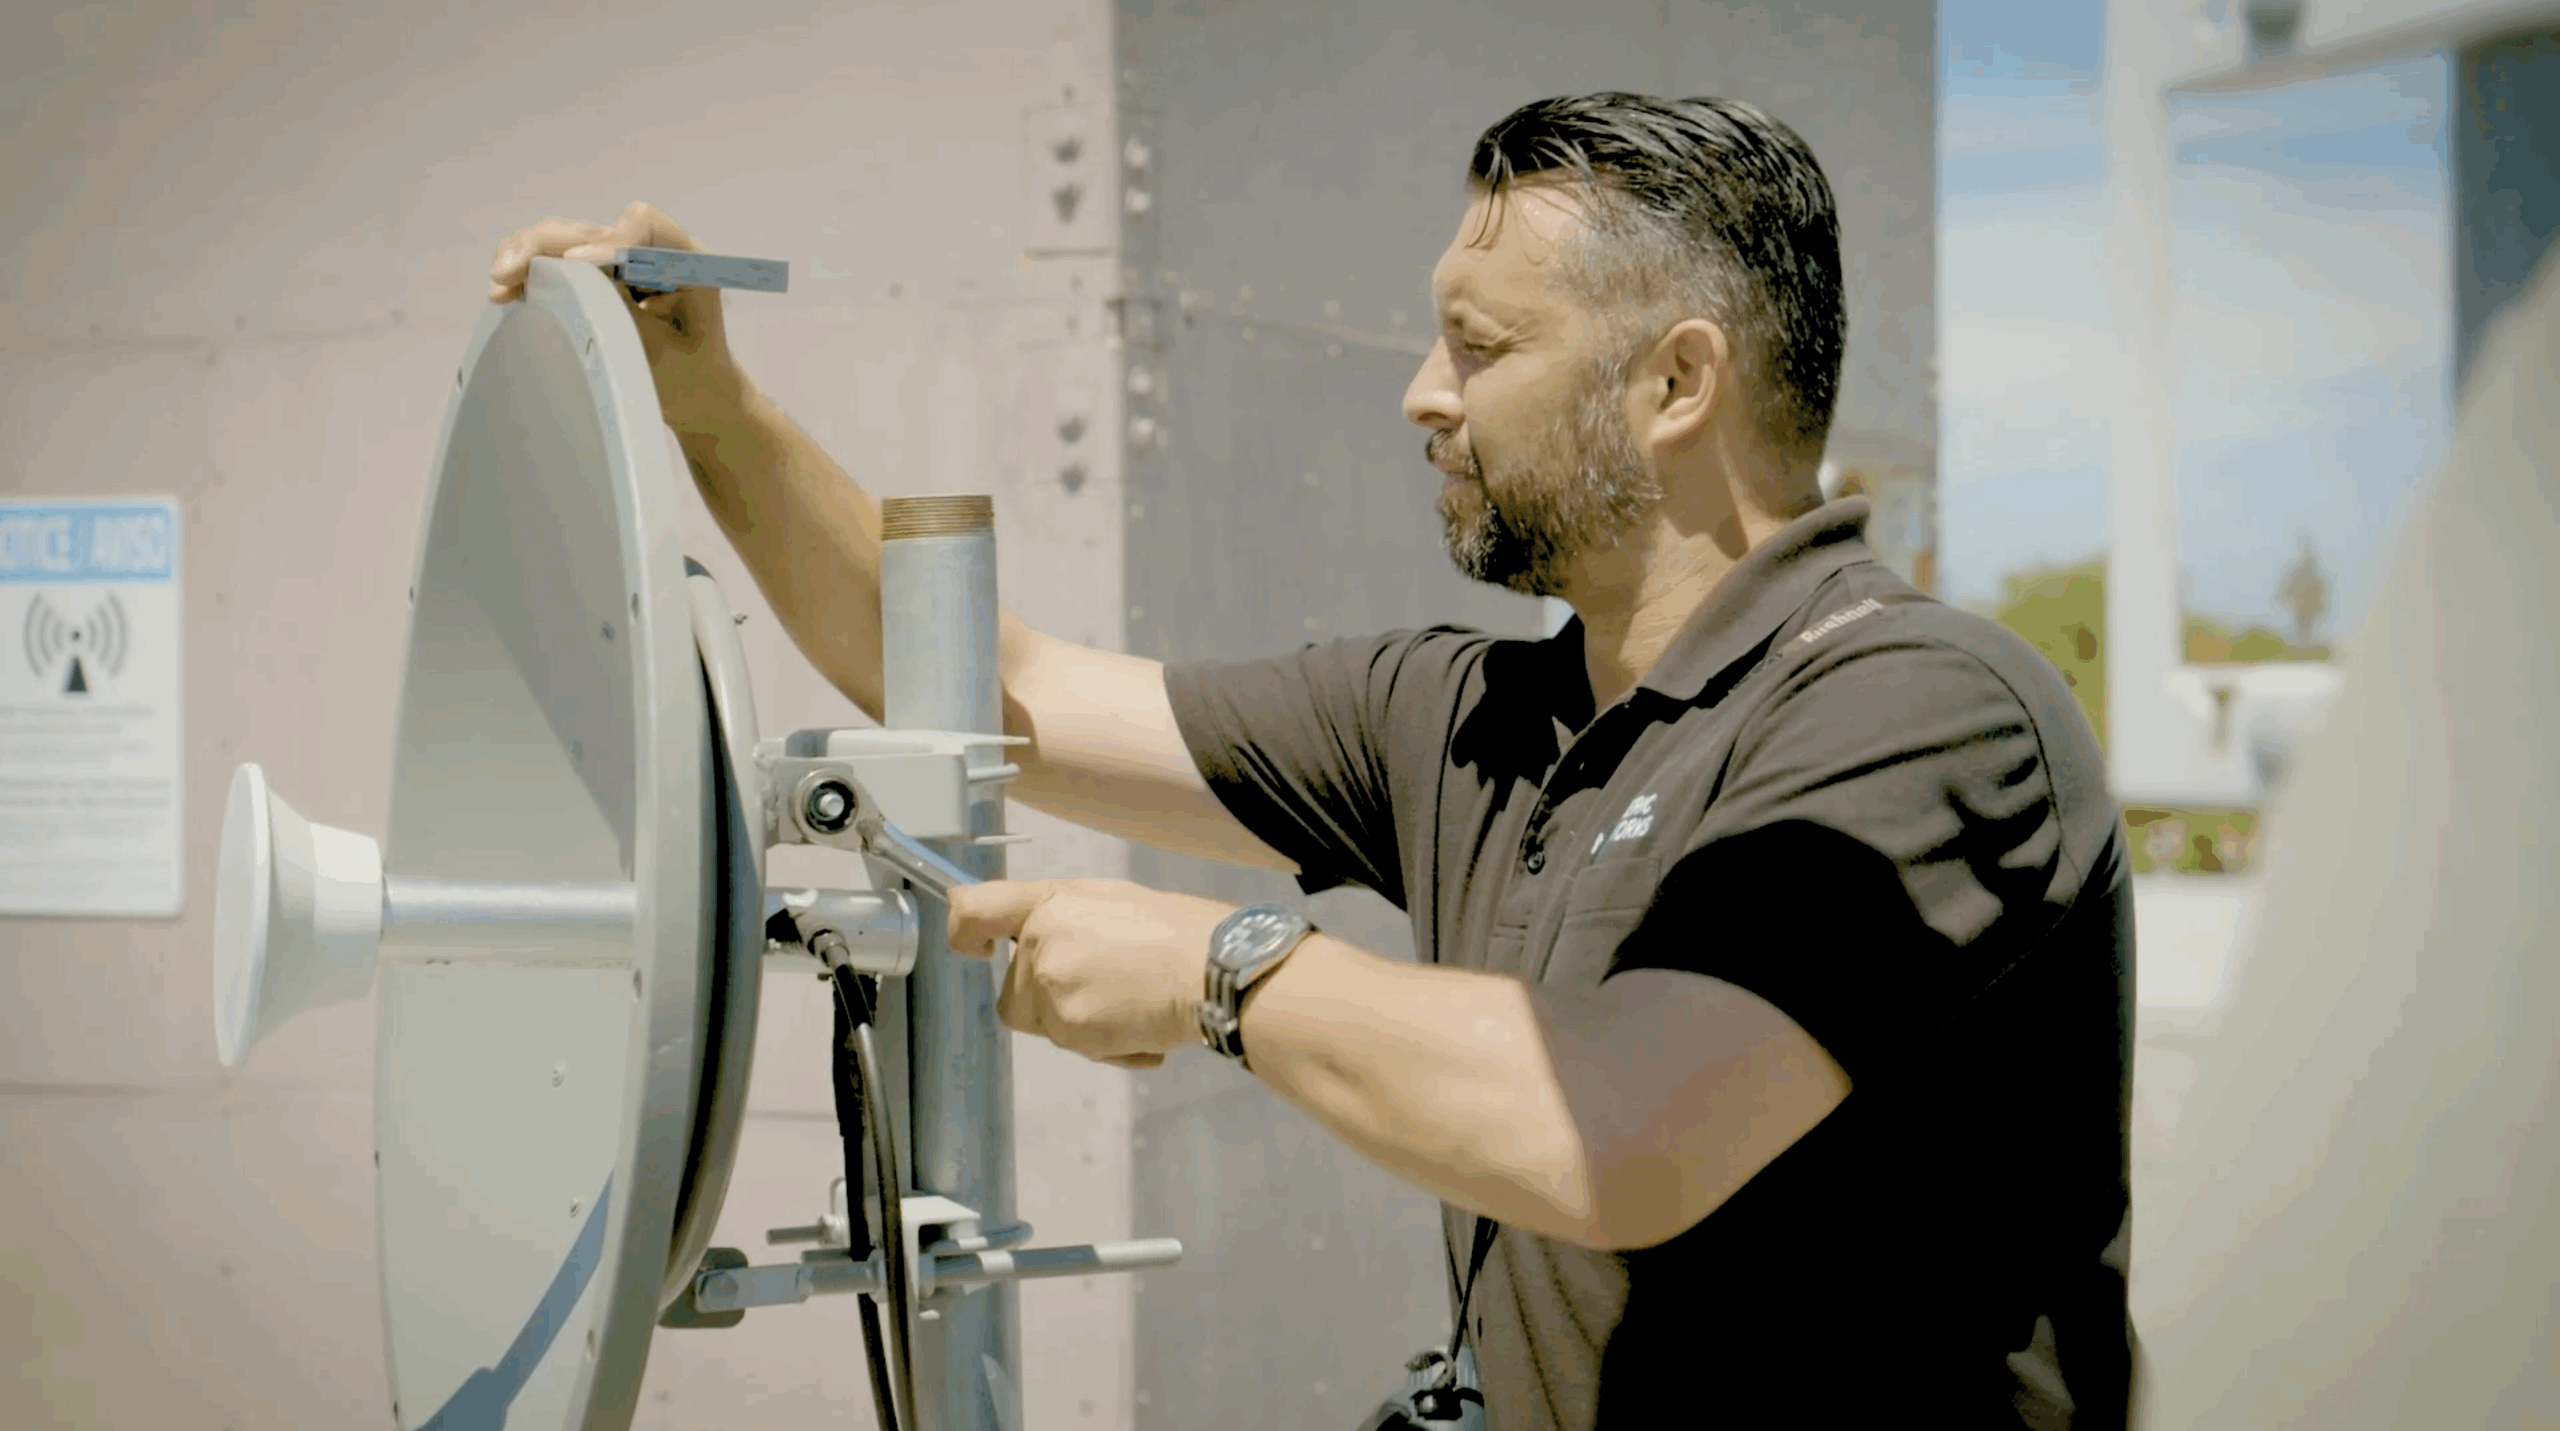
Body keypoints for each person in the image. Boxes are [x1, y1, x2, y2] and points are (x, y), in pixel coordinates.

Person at [491, 92, 2136, 1430]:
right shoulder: (1474, 720)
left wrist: (1227, 973)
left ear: (1676, 382)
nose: (1424, 395)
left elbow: (1616, 1129)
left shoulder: (1918, 709)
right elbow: (1004, 696)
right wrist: (709, 403)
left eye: (1482, 349)